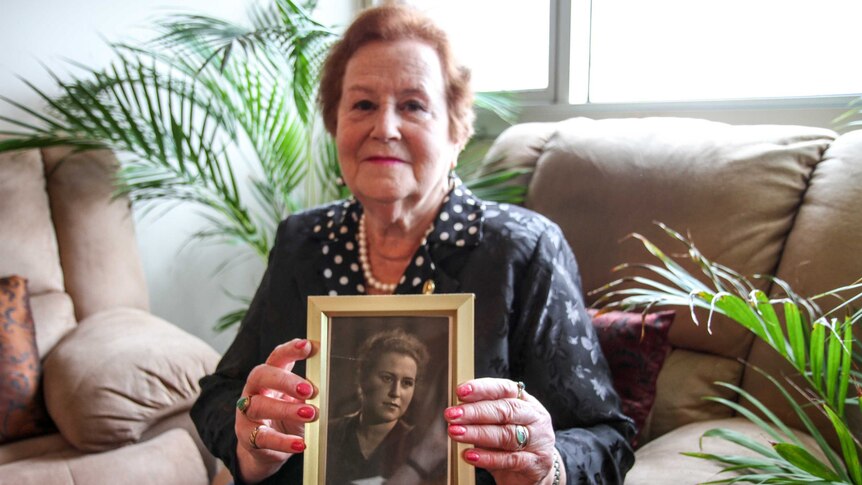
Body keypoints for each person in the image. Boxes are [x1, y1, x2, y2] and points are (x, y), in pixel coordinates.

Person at [191, 4, 636, 485]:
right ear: (335, 124)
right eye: (362, 105)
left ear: (455, 132)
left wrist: (548, 464)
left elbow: (606, 437)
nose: (384, 127)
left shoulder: (523, 250)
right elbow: (221, 393)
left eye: (413, 105)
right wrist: (250, 440)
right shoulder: (303, 242)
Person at [326, 329, 437, 484]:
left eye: (407, 383)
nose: (396, 392)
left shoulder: (418, 447)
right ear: (362, 377)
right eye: (387, 378)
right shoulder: (328, 435)